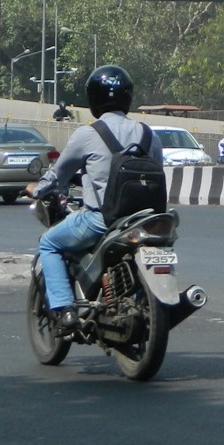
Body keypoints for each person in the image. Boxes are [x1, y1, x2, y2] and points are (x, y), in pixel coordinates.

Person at [23, 65, 163, 330]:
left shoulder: (88, 134)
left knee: (49, 243)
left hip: (101, 221)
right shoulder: (149, 134)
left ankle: (64, 309)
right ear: (128, 96)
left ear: (93, 98)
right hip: (146, 221)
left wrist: (36, 189)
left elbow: (58, 176)